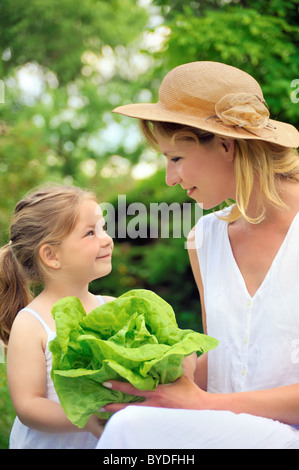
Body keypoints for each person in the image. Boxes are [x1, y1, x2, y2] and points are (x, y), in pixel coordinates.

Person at [96, 61, 299, 449]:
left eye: (176, 158)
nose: (171, 179)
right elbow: (222, 355)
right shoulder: (204, 238)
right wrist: (163, 375)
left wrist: (203, 403)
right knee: (128, 421)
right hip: (227, 431)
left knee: (128, 433)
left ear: (226, 145)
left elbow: (205, 400)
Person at [0, 184, 114, 449]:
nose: (106, 238)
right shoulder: (31, 324)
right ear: (51, 255)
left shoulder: (111, 307)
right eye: (90, 233)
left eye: (103, 228)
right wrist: (85, 418)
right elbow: (29, 406)